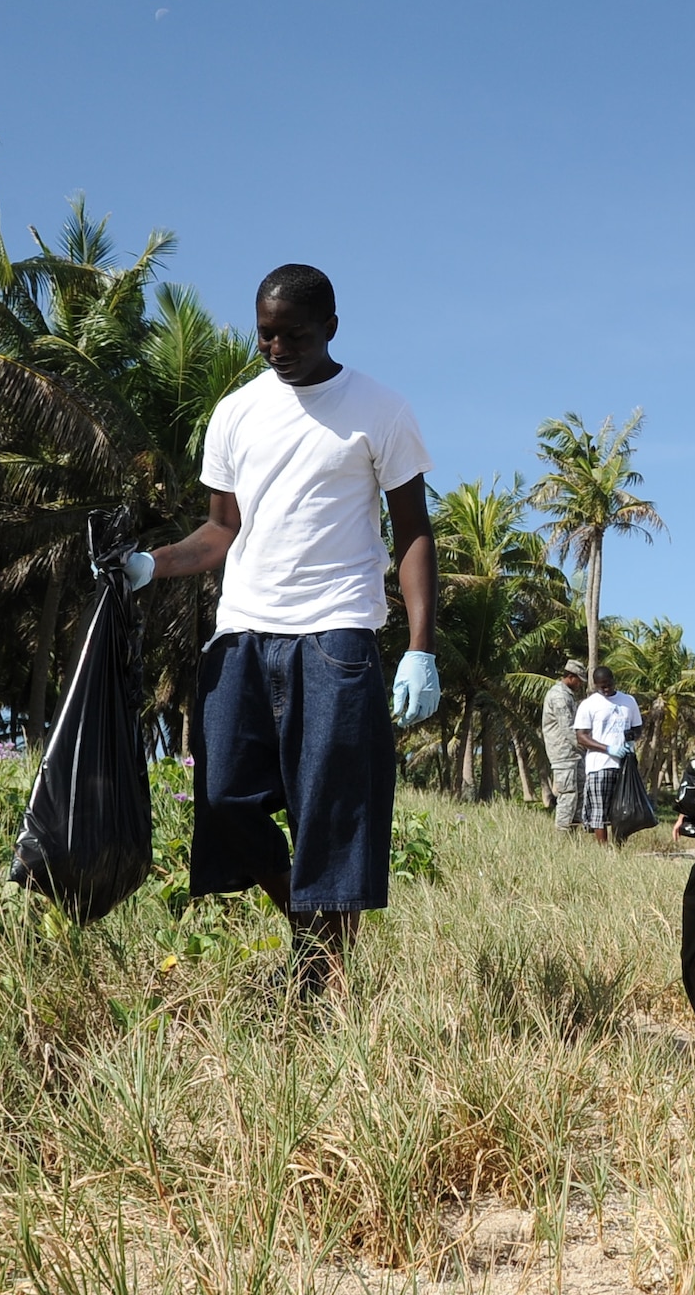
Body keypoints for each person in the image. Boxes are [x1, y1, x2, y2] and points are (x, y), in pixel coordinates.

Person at [121, 263, 439, 995]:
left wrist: (419, 650)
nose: (277, 347)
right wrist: (151, 563)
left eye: (293, 333)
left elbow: (414, 532)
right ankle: (307, 929)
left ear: (330, 326)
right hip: (243, 632)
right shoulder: (235, 412)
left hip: (338, 633)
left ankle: (321, 979)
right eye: (265, 333)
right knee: (224, 796)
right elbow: (219, 530)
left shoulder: (380, 410)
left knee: (331, 813)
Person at [572, 665, 642, 845]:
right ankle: (603, 851)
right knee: (599, 811)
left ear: (613, 681)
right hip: (600, 765)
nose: (606, 689)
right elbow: (582, 737)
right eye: (601, 686)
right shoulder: (588, 705)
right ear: (595, 685)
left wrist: (629, 741)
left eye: (608, 684)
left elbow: (637, 728)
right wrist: (608, 748)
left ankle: (619, 846)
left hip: (624, 765)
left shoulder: (628, 701)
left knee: (622, 809)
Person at [542, 659, 589, 831]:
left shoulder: (567, 694)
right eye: (579, 680)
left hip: (574, 754)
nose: (580, 685)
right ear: (570, 677)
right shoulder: (559, 696)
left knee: (580, 793)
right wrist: (587, 746)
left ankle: (574, 833)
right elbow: (568, 728)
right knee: (568, 795)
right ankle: (562, 835)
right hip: (564, 754)